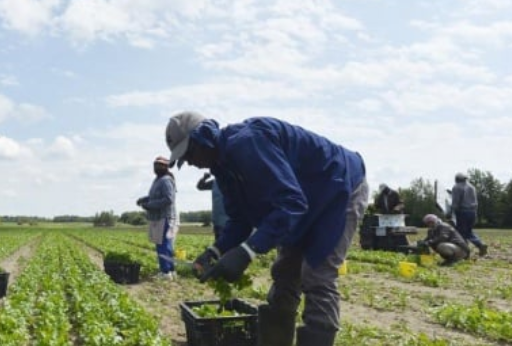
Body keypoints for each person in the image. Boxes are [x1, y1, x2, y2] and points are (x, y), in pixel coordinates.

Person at [166, 112, 367, 346]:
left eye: (189, 153)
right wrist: (215, 251)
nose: (189, 161)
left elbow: (291, 203)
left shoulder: (247, 143)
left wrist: (247, 252)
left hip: (337, 190)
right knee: (285, 273)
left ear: (204, 138)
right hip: (304, 202)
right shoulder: (223, 170)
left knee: (317, 274)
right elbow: (240, 221)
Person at [136, 156, 179, 280]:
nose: (157, 167)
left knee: (163, 245)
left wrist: (149, 206)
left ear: (166, 167)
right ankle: (170, 271)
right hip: (160, 217)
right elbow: (155, 196)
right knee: (166, 245)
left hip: (164, 217)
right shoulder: (158, 180)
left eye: (160, 165)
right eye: (155, 165)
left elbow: (168, 199)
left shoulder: (166, 180)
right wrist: (144, 199)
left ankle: (165, 272)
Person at [451, 172, 488, 256]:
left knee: (461, 233)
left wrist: (451, 213)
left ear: (456, 179)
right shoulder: (472, 187)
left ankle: (465, 253)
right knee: (468, 231)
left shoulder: (457, 187)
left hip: (462, 212)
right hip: (472, 212)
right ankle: (480, 245)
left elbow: (455, 203)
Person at [196, 172, 229, 240]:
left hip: (229, 220)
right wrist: (204, 178)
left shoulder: (233, 180)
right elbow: (200, 186)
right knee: (219, 244)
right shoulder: (215, 182)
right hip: (217, 220)